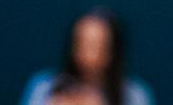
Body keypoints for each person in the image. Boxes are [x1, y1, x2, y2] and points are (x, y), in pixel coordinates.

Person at [18, 8, 154, 105]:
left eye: (96, 44)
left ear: (113, 49)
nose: (86, 52)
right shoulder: (44, 87)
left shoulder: (135, 95)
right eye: (81, 42)